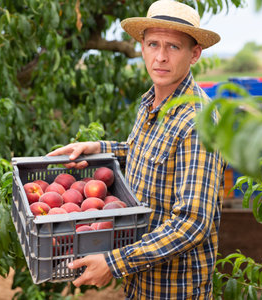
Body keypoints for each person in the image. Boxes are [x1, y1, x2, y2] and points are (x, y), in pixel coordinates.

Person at [47, 0, 226, 298]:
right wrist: (99, 148)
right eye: (153, 44)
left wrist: (114, 263)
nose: (161, 57)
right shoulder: (151, 103)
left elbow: (193, 223)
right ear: (141, 47)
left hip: (174, 288)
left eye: (174, 47)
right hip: (140, 281)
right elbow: (142, 152)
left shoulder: (198, 122)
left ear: (195, 53)